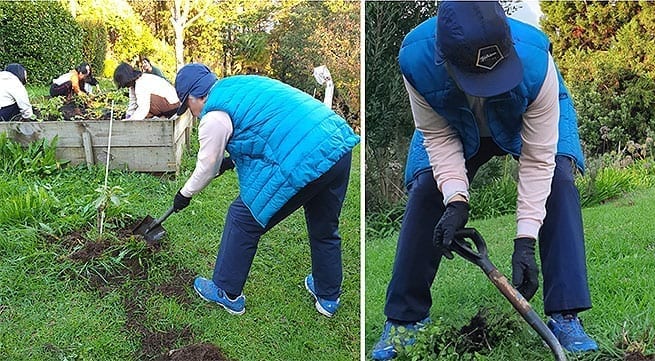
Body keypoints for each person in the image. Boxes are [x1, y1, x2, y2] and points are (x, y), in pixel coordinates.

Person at [371, 2, 597, 359]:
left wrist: (525, 241)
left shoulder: (536, 62)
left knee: (558, 181)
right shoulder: (416, 60)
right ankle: (404, 320)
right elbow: (438, 138)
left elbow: (538, 160)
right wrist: (456, 199)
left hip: (526, 113)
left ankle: (565, 315)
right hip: (453, 126)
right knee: (427, 189)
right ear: (445, 59)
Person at [168, 63, 359, 317]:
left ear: (194, 97)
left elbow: (206, 168)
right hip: (335, 143)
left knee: (243, 218)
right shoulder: (239, 85)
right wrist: (230, 161)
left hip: (306, 154)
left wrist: (184, 194)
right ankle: (328, 295)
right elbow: (266, 127)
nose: (191, 113)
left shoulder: (213, 115)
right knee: (324, 225)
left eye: (187, 107)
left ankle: (226, 291)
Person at [113, 62, 180, 120]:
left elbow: (143, 108)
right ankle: (160, 117)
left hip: (173, 105)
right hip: (166, 105)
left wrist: (132, 120)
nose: (125, 86)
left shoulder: (142, 83)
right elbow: (132, 102)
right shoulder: (133, 85)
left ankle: (163, 116)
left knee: (143, 107)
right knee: (139, 110)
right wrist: (128, 116)